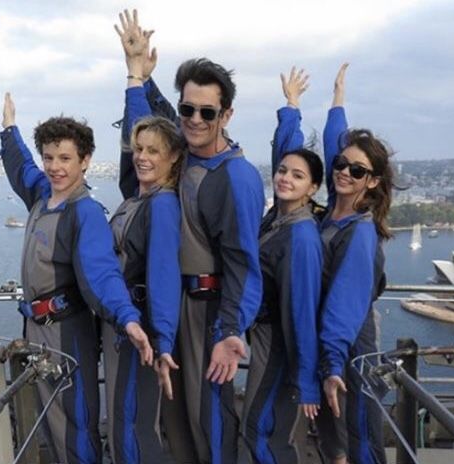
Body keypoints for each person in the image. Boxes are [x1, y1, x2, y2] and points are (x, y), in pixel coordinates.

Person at [115, 10, 265, 463]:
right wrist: (136, 76)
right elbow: (149, 134)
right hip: (173, 309)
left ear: (227, 114)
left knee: (210, 420)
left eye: (207, 112)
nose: (195, 119)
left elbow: (243, 262)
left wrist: (229, 331)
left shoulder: (235, 177)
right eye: (187, 109)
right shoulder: (181, 153)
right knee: (175, 420)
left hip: (208, 315)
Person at [0, 92, 153, 464]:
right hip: (37, 327)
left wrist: (128, 318)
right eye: (49, 157)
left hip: (67, 328)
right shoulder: (42, 196)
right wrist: (9, 130)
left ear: (85, 161)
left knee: (77, 421)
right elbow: (22, 168)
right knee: (53, 422)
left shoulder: (84, 212)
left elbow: (101, 273)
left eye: (65, 158)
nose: (56, 167)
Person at [274, 64, 393, 464]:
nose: (343, 172)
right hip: (333, 349)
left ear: (372, 181)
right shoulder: (329, 216)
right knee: (332, 444)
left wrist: (330, 365)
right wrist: (320, 104)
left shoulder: (359, 232)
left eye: (357, 170)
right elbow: (330, 148)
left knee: (354, 445)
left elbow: (344, 307)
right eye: (341, 165)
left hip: (349, 353)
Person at [241, 68, 323, 464]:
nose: (285, 178)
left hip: (278, 342)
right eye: (282, 172)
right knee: (262, 427)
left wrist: (307, 381)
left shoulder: (301, 237)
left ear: (313, 189)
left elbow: (302, 310)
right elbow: (288, 151)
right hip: (264, 336)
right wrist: (291, 107)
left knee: (261, 428)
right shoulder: (279, 218)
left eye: (298, 176)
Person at [103, 113, 184, 463]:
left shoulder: (163, 204)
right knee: (125, 418)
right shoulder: (138, 198)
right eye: (138, 148)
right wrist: (134, 78)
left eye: (153, 150)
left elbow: (164, 275)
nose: (142, 157)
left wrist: (163, 340)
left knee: (133, 422)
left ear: (173, 157)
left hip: (141, 332)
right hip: (125, 326)